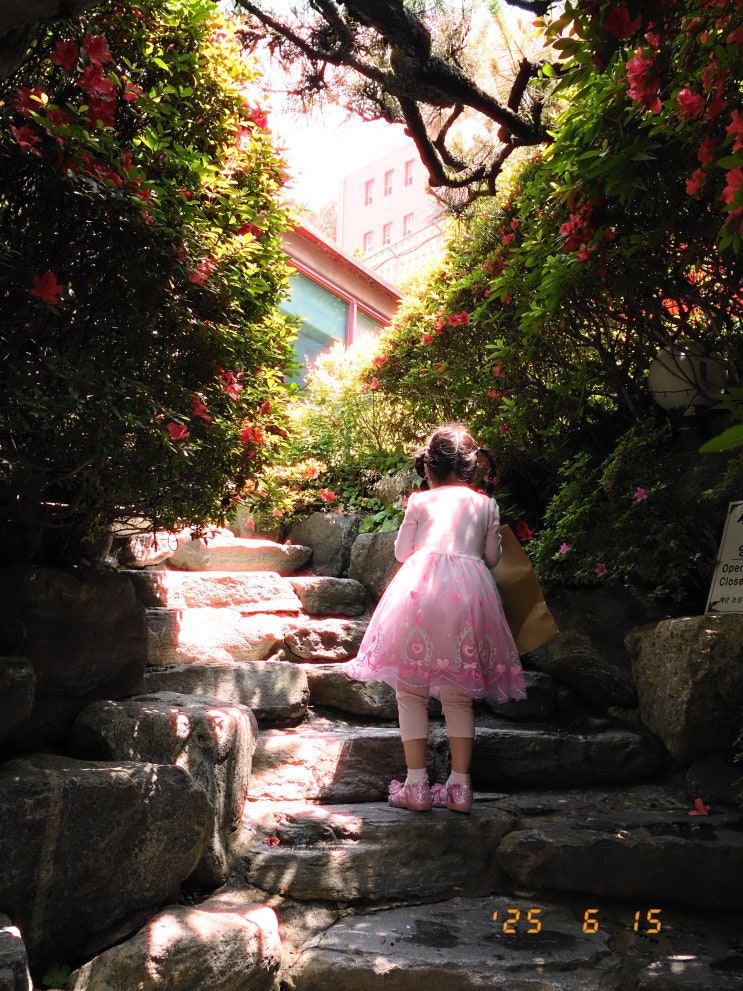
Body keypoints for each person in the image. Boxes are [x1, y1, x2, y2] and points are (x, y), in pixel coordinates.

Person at [346, 422, 527, 814]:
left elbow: (401, 552)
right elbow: (492, 558)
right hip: (470, 599)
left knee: (410, 691)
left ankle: (416, 786)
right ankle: (460, 788)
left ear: (428, 467)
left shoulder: (420, 502)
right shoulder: (486, 505)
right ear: (473, 468)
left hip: (421, 594)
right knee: (459, 697)